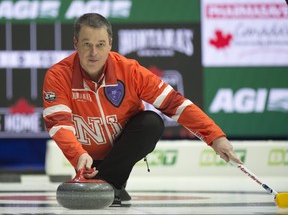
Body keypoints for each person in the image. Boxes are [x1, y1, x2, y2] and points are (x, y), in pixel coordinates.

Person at [42, 13, 242, 206]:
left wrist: (215, 137)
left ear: (110, 44)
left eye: (100, 45)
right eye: (87, 44)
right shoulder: (58, 75)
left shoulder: (130, 71)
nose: (94, 52)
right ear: (76, 43)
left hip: (118, 154)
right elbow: (58, 124)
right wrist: (77, 155)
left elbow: (175, 103)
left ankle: (107, 183)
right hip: (84, 156)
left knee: (151, 123)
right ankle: (111, 185)